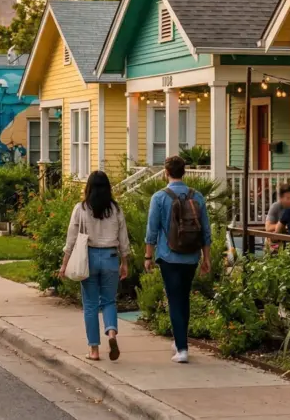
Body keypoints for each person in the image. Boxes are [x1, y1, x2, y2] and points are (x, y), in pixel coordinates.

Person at [144, 155, 212, 364]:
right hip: (191, 256)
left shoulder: (159, 197)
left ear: (166, 172)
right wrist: (206, 257)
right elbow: (206, 230)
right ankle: (179, 339)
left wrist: (148, 255)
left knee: (174, 299)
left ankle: (182, 348)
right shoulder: (197, 196)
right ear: (184, 172)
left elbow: (152, 229)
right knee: (184, 297)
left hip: (168, 255)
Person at [59, 171, 130, 361]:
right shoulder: (116, 209)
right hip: (111, 256)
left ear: (88, 188)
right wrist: (125, 262)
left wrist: (64, 264)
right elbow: (123, 239)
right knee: (109, 301)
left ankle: (94, 350)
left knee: (90, 305)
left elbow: (71, 240)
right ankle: (112, 333)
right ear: (108, 189)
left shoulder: (81, 209)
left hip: (87, 258)